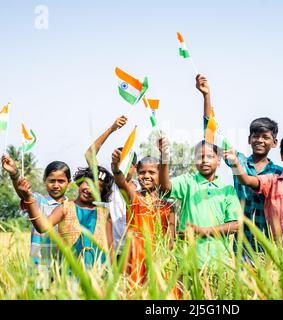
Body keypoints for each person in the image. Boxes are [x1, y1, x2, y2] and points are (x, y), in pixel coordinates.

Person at [196, 74, 283, 253]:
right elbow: (211, 134)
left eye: (265, 137)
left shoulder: (279, 172)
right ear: (249, 139)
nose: (260, 140)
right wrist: (206, 96)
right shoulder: (239, 160)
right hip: (240, 243)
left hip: (268, 245)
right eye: (256, 136)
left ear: (274, 142)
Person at [224, 133, 283, 259]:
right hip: (275, 253)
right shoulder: (272, 181)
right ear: (281, 156)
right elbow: (246, 180)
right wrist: (236, 164)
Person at [158, 136, 241, 268]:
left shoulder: (227, 190)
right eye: (199, 157)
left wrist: (203, 231)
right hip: (187, 262)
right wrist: (164, 159)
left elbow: (236, 225)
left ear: (219, 160)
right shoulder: (187, 181)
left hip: (218, 264)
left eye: (209, 156)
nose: (204, 161)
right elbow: (164, 187)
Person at [18, 166, 115, 269]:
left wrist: (114, 275)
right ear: (81, 181)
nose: (89, 190)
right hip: (70, 273)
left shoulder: (104, 214)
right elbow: (42, 227)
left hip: (97, 273)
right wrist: (28, 198)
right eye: (87, 183)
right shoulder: (65, 208)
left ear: (102, 193)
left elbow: (110, 248)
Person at [1, 155, 70, 288]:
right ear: (45, 181)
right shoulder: (38, 201)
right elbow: (24, 194)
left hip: (65, 267)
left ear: (69, 182)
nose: (56, 185)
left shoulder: (72, 206)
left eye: (61, 181)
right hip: (40, 267)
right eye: (52, 181)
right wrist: (15, 174)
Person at [113, 150, 174, 284]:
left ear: (160, 175)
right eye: (142, 172)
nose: (146, 176)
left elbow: (170, 239)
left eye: (152, 172)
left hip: (160, 260)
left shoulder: (168, 205)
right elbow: (121, 183)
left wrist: (164, 260)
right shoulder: (134, 197)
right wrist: (115, 168)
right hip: (135, 258)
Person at [84, 115, 139, 261]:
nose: (122, 166)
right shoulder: (107, 182)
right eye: (117, 161)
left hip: (135, 252)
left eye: (126, 163)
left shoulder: (141, 189)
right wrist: (112, 129)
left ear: (134, 167)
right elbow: (89, 154)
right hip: (108, 251)